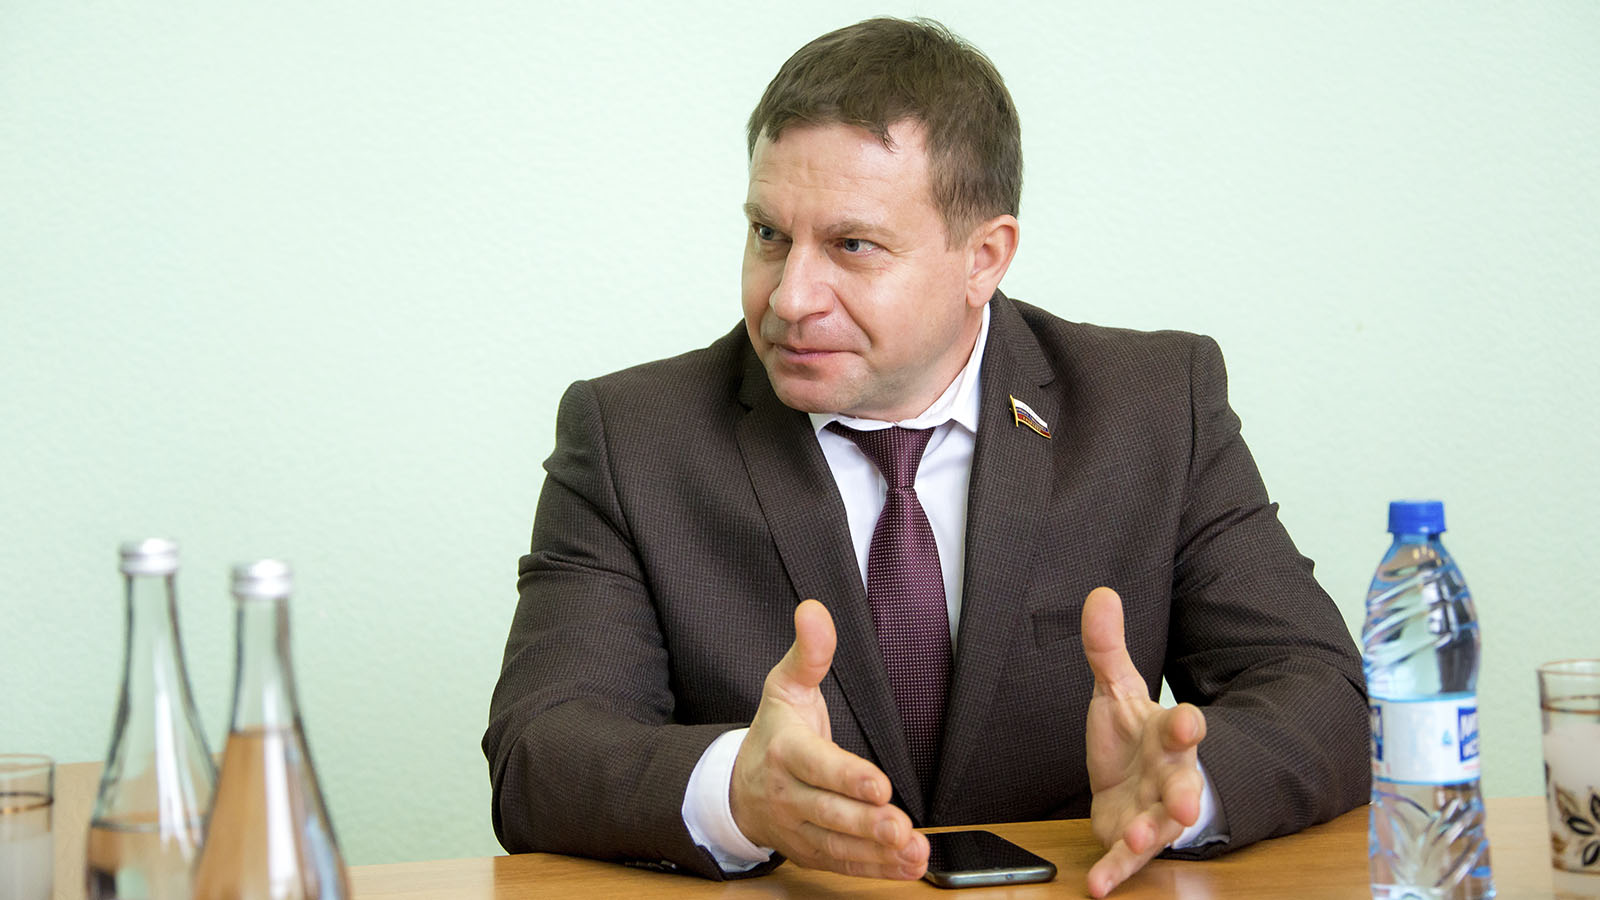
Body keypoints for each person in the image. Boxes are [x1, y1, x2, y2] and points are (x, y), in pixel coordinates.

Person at [483, 16, 1367, 898]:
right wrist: (734, 793)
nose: (790, 297)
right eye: (769, 235)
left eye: (852, 245)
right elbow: (539, 749)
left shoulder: (1153, 409)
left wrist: (1190, 786)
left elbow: (1323, 690)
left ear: (984, 257)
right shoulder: (630, 437)